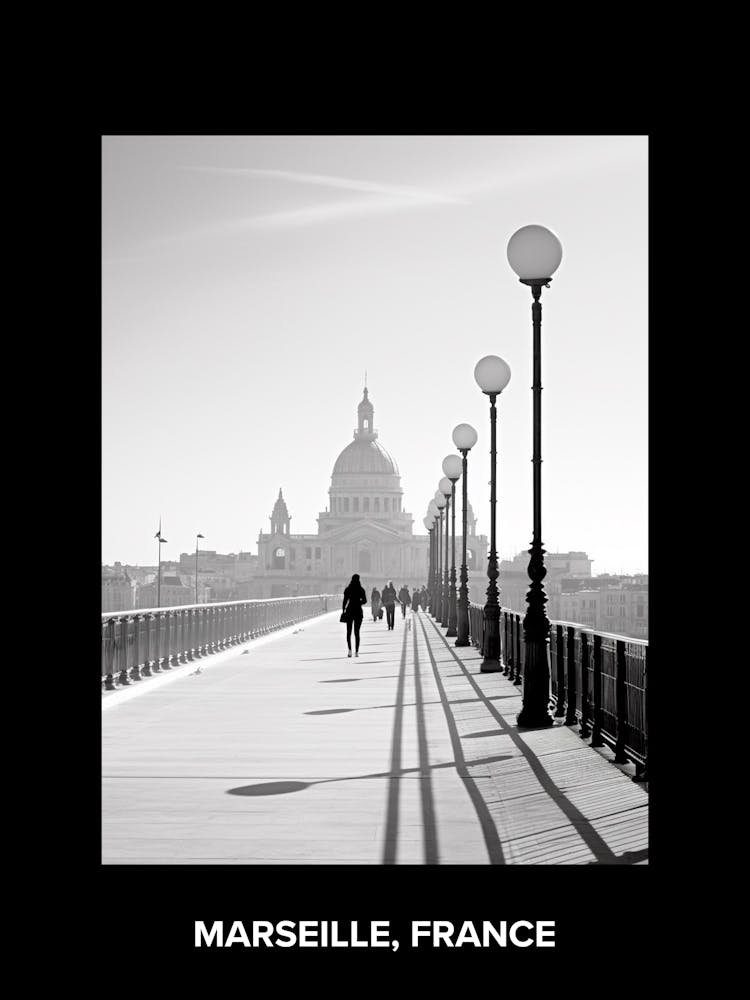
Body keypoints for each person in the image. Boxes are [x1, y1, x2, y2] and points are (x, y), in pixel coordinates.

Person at [342, 574, 367, 657]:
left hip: (349, 611)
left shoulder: (348, 589)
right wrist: (359, 602)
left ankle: (349, 650)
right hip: (358, 612)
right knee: (357, 633)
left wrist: (343, 610)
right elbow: (365, 601)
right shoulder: (361, 589)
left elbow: (344, 601)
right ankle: (356, 652)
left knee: (348, 632)